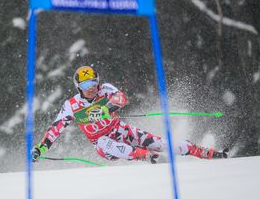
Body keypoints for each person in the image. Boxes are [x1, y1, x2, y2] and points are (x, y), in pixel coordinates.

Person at [32, 66, 228, 164]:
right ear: (78, 87)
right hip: (104, 144)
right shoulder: (71, 106)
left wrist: (106, 109)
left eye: (93, 83)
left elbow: (121, 98)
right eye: (85, 86)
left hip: (120, 130)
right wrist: (40, 149)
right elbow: (55, 130)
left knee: (160, 143)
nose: (91, 88)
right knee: (102, 142)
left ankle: (208, 153)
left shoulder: (105, 90)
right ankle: (145, 156)